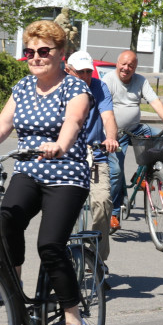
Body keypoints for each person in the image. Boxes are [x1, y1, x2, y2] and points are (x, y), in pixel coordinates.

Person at [0, 20, 91, 325]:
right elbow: (2, 124)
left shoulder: (74, 88)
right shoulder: (23, 87)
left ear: (61, 55)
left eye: (44, 51)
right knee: (5, 219)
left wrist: (61, 145)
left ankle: (74, 323)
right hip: (28, 170)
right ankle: (13, 285)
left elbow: (73, 123)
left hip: (66, 175)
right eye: (30, 52)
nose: (35, 57)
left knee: (50, 244)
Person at [101, 50, 163, 232]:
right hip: (114, 134)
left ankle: (142, 175)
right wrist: (109, 136)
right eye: (124, 64)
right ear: (117, 63)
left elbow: (155, 101)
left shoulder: (140, 81)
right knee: (116, 171)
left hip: (135, 128)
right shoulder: (108, 80)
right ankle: (114, 212)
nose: (126, 68)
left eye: (131, 66)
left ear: (135, 68)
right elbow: (103, 109)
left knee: (160, 137)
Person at [66, 50, 119, 262]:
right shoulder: (62, 88)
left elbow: (108, 116)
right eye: (80, 72)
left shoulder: (99, 87)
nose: (86, 76)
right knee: (63, 209)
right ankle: (62, 255)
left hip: (95, 153)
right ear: (68, 71)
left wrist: (111, 138)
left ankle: (97, 258)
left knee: (104, 202)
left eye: (89, 71)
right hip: (67, 156)